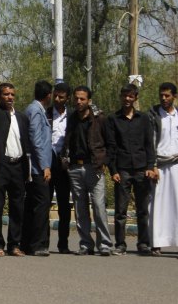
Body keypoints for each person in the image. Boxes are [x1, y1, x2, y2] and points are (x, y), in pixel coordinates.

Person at [62, 86, 112, 256]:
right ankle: (86, 244)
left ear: (89, 101)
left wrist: (104, 162)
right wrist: (65, 159)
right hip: (76, 168)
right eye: (76, 98)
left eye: (82, 99)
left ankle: (104, 244)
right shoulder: (72, 118)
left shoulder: (99, 119)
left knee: (98, 206)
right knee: (79, 208)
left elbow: (110, 143)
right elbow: (68, 139)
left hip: (94, 167)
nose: (78, 102)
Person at [106, 83, 155, 256]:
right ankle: (120, 244)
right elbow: (111, 147)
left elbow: (149, 144)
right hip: (123, 169)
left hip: (142, 169)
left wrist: (150, 166)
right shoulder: (113, 119)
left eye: (131, 96)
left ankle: (143, 244)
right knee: (121, 211)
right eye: (124, 95)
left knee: (143, 209)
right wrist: (113, 171)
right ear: (121, 96)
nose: (127, 99)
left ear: (136, 98)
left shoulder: (143, 119)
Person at [0, 83, 29, 257]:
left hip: (18, 166)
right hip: (0, 165)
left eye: (12, 95)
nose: (10, 97)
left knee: (17, 207)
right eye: (6, 94)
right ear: (0, 97)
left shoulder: (22, 117)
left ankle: (14, 245)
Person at [147, 82, 178, 256]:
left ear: (174, 97)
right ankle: (156, 243)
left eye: (167, 95)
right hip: (159, 166)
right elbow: (149, 142)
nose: (163, 98)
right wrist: (152, 166)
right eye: (161, 95)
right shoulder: (153, 115)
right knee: (157, 205)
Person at [21, 80, 53, 257]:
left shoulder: (35, 109)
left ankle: (27, 243)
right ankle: (38, 244)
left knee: (33, 205)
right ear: (48, 95)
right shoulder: (35, 111)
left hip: (36, 167)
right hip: (37, 168)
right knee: (41, 205)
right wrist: (45, 166)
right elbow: (36, 140)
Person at [45, 82, 72, 253]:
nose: (57, 99)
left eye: (61, 97)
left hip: (65, 165)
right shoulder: (46, 114)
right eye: (55, 95)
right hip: (48, 163)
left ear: (67, 98)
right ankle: (43, 242)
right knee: (45, 204)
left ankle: (63, 243)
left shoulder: (73, 116)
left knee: (64, 206)